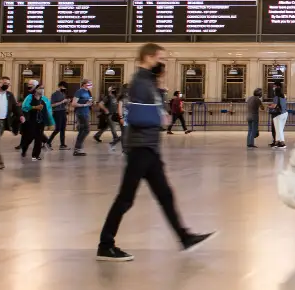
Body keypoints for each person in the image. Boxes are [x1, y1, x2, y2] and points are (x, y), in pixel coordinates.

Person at [96, 43, 215, 262]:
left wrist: (160, 91)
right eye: (161, 58)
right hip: (140, 148)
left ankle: (184, 237)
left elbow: (156, 109)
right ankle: (106, 244)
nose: (164, 62)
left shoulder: (148, 81)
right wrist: (160, 117)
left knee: (165, 195)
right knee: (126, 198)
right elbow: (141, 116)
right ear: (149, 57)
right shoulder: (140, 82)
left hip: (149, 147)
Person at [0, 77, 21, 170]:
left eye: (8, 84)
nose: (7, 85)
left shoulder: (9, 95)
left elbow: (15, 107)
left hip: (3, 123)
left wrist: (21, 115)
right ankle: (0, 163)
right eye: (5, 83)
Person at [20, 85, 54, 161]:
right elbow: (24, 107)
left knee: (38, 139)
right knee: (29, 137)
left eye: (43, 88)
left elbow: (47, 110)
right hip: (31, 121)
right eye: (40, 88)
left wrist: (48, 121)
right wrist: (35, 107)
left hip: (40, 122)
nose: (42, 90)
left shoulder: (43, 99)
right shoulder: (30, 97)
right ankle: (24, 149)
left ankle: (35, 155)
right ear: (36, 89)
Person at [72, 78, 94, 157]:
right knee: (86, 130)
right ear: (84, 84)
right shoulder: (79, 91)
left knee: (82, 131)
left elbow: (89, 102)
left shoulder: (88, 92)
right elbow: (74, 103)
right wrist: (84, 105)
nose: (91, 85)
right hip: (81, 113)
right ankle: (78, 148)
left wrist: (90, 103)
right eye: (89, 83)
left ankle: (78, 149)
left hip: (86, 112)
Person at [48, 81, 71, 150]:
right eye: (64, 87)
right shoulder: (54, 94)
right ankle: (48, 142)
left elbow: (64, 105)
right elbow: (52, 105)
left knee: (63, 129)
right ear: (60, 86)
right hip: (57, 113)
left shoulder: (63, 94)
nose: (65, 89)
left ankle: (62, 144)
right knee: (57, 128)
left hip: (63, 112)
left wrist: (67, 102)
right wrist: (62, 102)